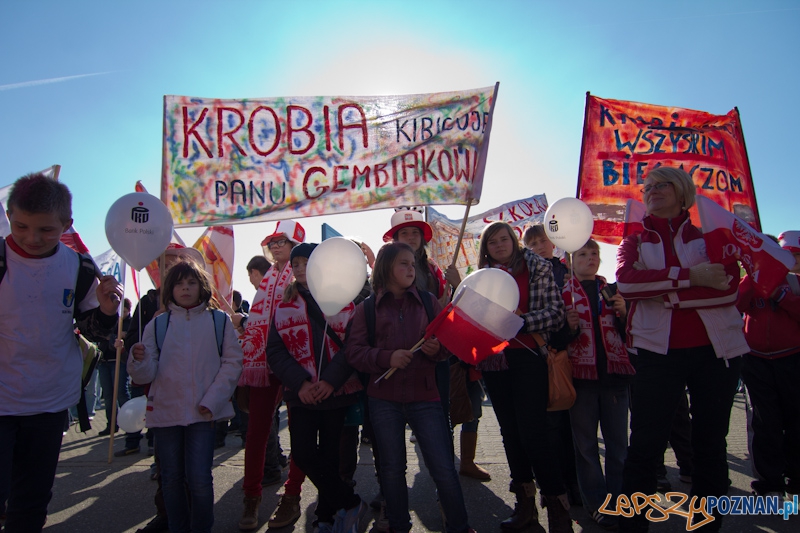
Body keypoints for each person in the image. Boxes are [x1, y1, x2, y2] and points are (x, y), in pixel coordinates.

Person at [616, 166, 748, 532]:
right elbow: (627, 285)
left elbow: (727, 288)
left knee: (709, 446)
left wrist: (662, 291)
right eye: (648, 187)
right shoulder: (634, 241)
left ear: (681, 190)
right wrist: (691, 279)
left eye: (662, 185)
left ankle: (707, 525)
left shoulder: (711, 232)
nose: (653, 191)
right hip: (658, 355)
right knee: (644, 446)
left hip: (717, 353)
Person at [0, 172, 122, 533]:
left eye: (45, 230)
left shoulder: (80, 268)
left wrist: (105, 311)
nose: (32, 238)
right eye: (20, 226)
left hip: (49, 403)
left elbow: (94, 332)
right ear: (8, 216)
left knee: (31, 501)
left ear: (67, 224)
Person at [346, 242, 474, 533]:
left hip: (425, 396)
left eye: (412, 264)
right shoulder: (367, 308)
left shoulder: (429, 302)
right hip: (383, 400)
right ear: (386, 268)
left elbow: (447, 348)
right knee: (391, 471)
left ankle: (459, 526)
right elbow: (354, 352)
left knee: (442, 467)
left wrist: (436, 349)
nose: (410, 269)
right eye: (403, 263)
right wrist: (386, 357)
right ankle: (399, 526)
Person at [127, 260, 242, 533]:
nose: (185, 288)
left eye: (191, 283)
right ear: (170, 289)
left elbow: (232, 363)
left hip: (204, 413)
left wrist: (212, 401)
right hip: (166, 413)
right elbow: (146, 374)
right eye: (179, 284)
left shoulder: (219, 321)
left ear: (202, 287)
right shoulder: (158, 325)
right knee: (171, 479)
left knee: (200, 478)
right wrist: (137, 359)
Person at [475, 221, 571, 533]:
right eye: (493, 242)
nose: (499, 245)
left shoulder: (536, 266)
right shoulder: (481, 278)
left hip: (528, 357)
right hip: (495, 362)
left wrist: (521, 321)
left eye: (504, 239)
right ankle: (525, 505)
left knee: (534, 433)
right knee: (510, 434)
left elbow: (556, 313)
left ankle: (558, 507)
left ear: (514, 241)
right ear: (486, 249)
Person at [267, 243, 367, 533]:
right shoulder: (284, 305)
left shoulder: (345, 300)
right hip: (301, 395)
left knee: (330, 458)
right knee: (303, 453)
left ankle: (325, 516)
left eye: (305, 262)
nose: (299, 268)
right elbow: (275, 350)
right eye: (295, 263)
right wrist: (300, 383)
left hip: (335, 393)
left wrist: (330, 381)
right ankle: (350, 502)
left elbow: (352, 347)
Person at [551, 239, 634, 531]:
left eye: (594, 253)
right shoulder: (563, 294)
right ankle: (597, 504)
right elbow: (555, 340)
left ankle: (619, 501)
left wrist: (625, 316)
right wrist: (568, 328)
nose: (590, 258)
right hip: (580, 381)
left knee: (618, 447)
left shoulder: (612, 290)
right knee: (585, 448)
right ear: (570, 262)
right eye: (583, 254)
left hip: (614, 379)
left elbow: (630, 337)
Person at [236, 220, 308, 531]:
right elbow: (258, 319)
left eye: (283, 241)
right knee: (256, 432)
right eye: (273, 241)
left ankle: (292, 494)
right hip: (263, 363)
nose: (276, 246)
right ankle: (251, 498)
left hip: (295, 364)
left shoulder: (305, 276)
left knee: (299, 433)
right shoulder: (266, 280)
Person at [737, 231, 800, 497]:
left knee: (796, 420)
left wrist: (780, 294)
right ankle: (768, 482)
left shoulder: (794, 282)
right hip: (756, 360)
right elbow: (736, 305)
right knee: (765, 423)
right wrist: (753, 282)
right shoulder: (747, 280)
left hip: (793, 357)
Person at [522, 225, 581, 506]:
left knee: (573, 428)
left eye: (542, 241)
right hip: (546, 354)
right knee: (551, 428)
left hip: (574, 357)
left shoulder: (568, 270)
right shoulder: (529, 273)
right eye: (531, 244)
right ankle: (556, 487)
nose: (538, 247)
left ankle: (574, 484)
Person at [95, 297, 133, 436]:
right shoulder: (110, 321)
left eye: (124, 310)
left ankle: (129, 423)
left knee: (121, 393)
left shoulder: (131, 323)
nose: (121, 313)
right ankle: (111, 424)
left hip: (120, 361)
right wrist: (111, 337)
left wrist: (114, 337)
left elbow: (128, 338)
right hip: (105, 361)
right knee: (109, 396)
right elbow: (101, 334)